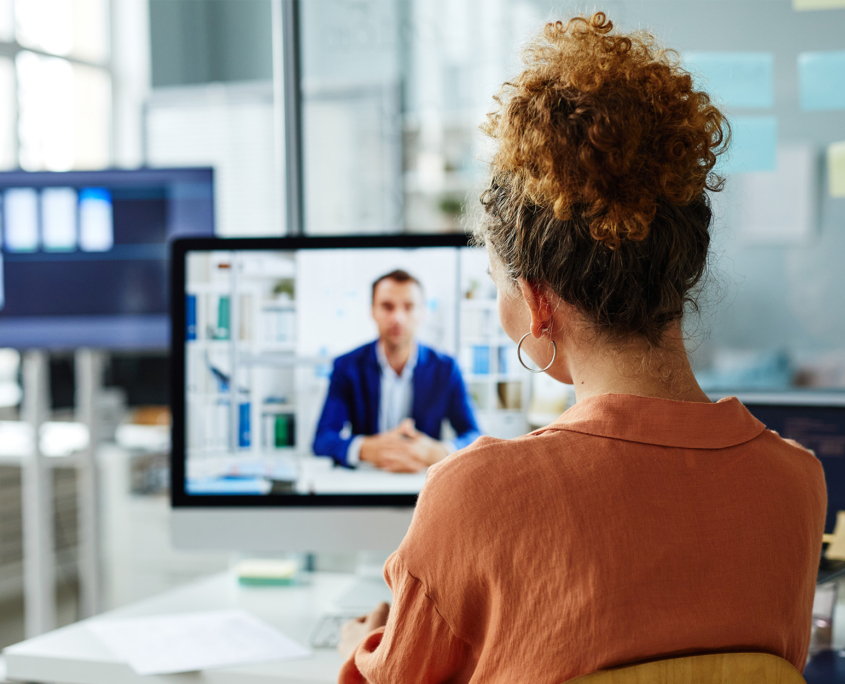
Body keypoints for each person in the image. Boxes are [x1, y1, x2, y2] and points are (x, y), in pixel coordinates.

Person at [337, 13, 826, 683]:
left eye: (497, 289)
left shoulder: (471, 496)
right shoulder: (794, 486)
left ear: (537, 303)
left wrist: (354, 649)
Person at [312, 269, 481, 472]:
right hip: (368, 482)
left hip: (424, 481)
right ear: (372, 311)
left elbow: (474, 435)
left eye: (409, 307)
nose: (398, 318)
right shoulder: (347, 366)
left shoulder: (445, 368)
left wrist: (438, 451)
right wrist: (367, 448)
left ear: (422, 312)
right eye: (387, 306)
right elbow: (322, 438)